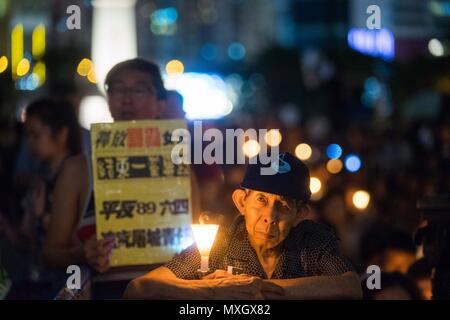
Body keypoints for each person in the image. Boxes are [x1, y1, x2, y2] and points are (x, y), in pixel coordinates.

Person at [124, 152, 362, 299]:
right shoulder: (219, 243)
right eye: (261, 200)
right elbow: (140, 288)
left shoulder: (312, 242)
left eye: (283, 205)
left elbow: (351, 285)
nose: (270, 215)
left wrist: (255, 288)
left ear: (300, 213)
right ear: (241, 202)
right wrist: (211, 292)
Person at [42, 59, 200, 275]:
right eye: (118, 90)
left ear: (160, 103)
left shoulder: (179, 170)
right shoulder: (78, 170)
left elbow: (194, 246)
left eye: (140, 90)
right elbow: (50, 254)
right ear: (108, 100)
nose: (127, 99)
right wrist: (82, 253)